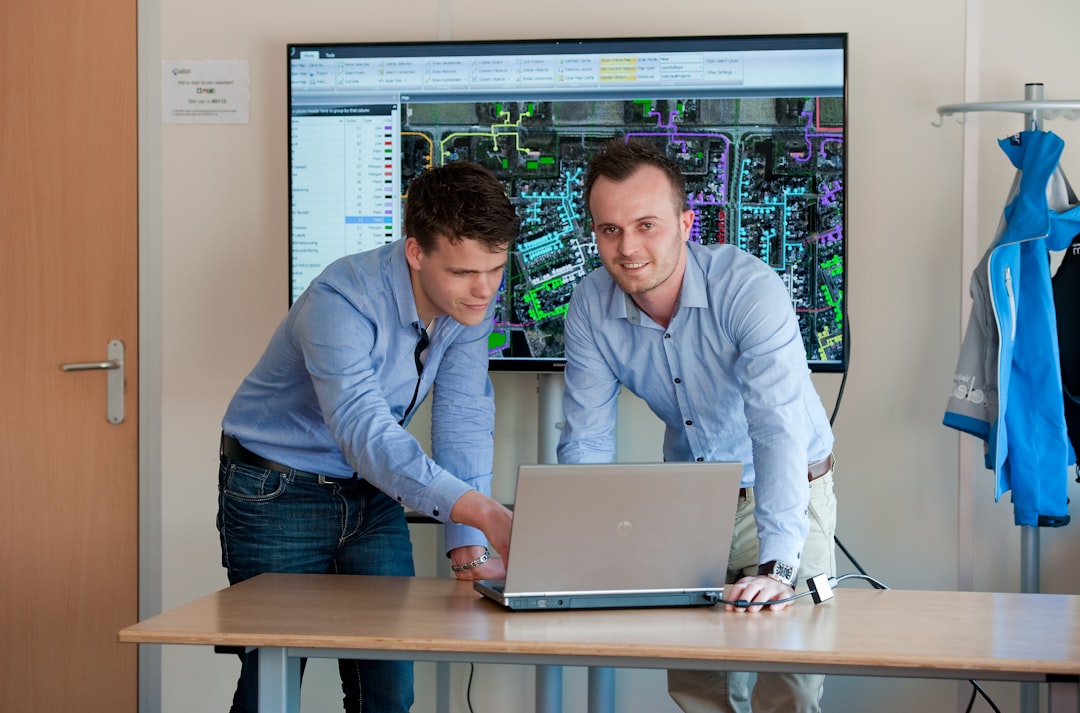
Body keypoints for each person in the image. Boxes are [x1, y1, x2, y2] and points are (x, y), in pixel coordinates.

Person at [216, 161, 518, 713]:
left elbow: (463, 415)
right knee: (273, 680)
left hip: (372, 492)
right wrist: (489, 513)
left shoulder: (471, 300)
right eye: (462, 273)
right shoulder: (341, 298)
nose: (483, 289)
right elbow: (363, 429)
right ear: (415, 252)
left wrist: (470, 548)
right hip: (276, 491)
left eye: (495, 268)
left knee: (388, 688)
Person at [557, 138, 837, 713]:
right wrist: (583, 550)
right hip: (692, 498)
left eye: (646, 225)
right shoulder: (589, 306)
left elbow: (776, 427)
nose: (627, 247)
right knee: (698, 680)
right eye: (609, 230)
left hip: (785, 488)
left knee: (790, 680)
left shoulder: (748, 289)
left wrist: (780, 565)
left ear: (686, 222)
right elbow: (586, 439)